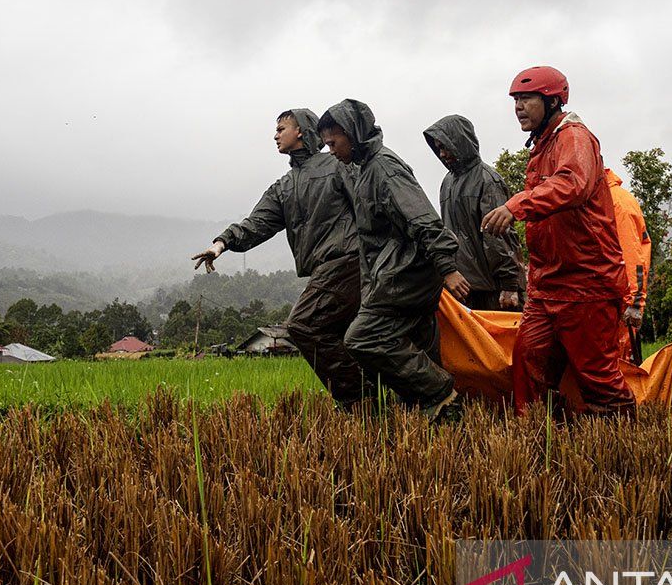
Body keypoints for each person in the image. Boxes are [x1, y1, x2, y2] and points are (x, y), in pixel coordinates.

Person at [482, 66, 636, 417]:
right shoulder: (542, 145)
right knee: (527, 362)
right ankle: (535, 440)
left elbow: (573, 183)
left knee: (598, 377)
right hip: (547, 284)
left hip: (586, 283)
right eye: (515, 100)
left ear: (552, 101)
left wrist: (516, 204)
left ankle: (624, 445)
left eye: (526, 99)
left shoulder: (574, 137)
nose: (518, 107)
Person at [191, 109, 371, 407]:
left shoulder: (337, 166)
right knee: (345, 338)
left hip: (349, 262)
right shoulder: (284, 187)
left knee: (303, 325)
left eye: (281, 128)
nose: (275, 135)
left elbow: (367, 208)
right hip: (324, 270)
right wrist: (221, 243)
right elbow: (256, 224)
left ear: (300, 131)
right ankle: (375, 400)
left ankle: (360, 401)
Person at [316, 99, 468, 420]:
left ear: (353, 134)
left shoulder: (384, 168)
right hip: (395, 274)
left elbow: (422, 219)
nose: (330, 150)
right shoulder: (364, 170)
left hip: (406, 276)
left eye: (333, 142)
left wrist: (448, 268)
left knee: (363, 338)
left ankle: (441, 393)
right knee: (420, 345)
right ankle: (442, 423)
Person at [423, 114, 524, 311]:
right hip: (465, 288)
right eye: (438, 148)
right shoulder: (447, 182)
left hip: (494, 289)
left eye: (444, 146)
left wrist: (509, 285)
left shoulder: (487, 180)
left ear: (459, 142)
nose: (442, 154)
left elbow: (499, 235)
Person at [604, 168, 651, 363]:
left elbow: (631, 256)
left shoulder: (617, 202)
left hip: (621, 302)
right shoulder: (600, 198)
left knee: (622, 366)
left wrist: (635, 303)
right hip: (607, 298)